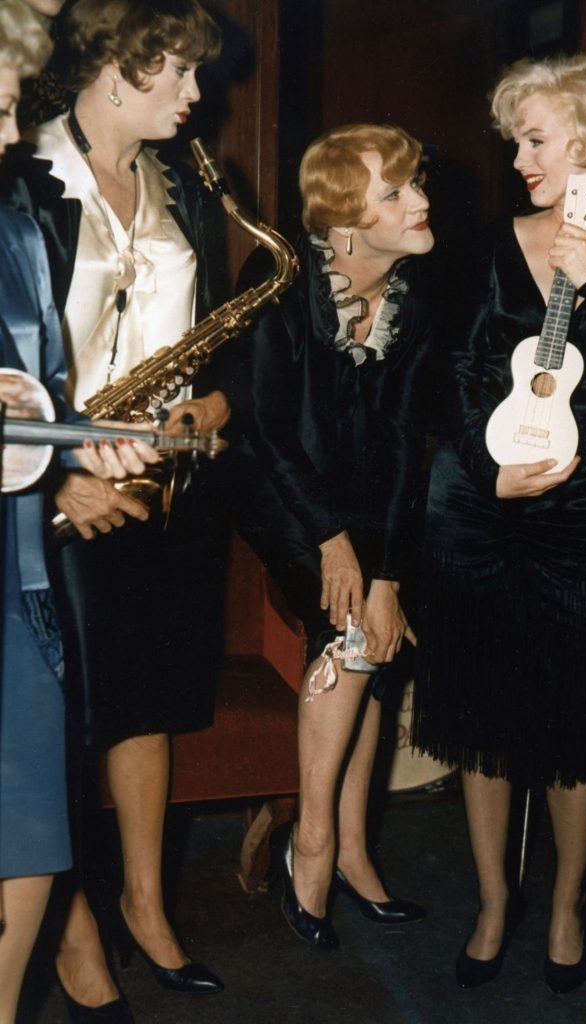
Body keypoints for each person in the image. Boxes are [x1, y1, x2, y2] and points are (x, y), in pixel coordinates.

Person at [412, 54, 586, 994]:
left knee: (577, 727)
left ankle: (568, 904)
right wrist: (484, 469)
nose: (519, 161)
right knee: (482, 717)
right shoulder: (485, 247)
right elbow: (448, 378)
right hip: (478, 510)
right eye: (516, 143)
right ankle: (494, 900)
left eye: (535, 140)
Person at [1, 1, 233, 1018]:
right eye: (176, 71)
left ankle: (144, 902)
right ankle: (72, 929)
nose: (196, 94)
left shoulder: (185, 182)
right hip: (52, 490)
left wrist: (216, 405)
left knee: (146, 704)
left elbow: (219, 332)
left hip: (155, 480)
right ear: (113, 69)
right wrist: (59, 477)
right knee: (51, 730)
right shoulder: (25, 179)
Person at [236, 123, 434, 950]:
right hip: (278, 491)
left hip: (366, 502)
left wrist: (387, 573)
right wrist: (331, 542)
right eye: (396, 193)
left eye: (415, 183)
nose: (421, 201)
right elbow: (264, 431)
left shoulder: (414, 297)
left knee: (376, 629)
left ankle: (353, 848)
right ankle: (313, 842)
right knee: (349, 627)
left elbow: (406, 442)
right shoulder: (280, 283)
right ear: (346, 223)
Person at [0, 3, 159, 1020]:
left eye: (13, 108)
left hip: (13, 572)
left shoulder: (16, 228)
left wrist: (75, 447)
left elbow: (40, 389)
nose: (12, 135)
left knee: (27, 824)